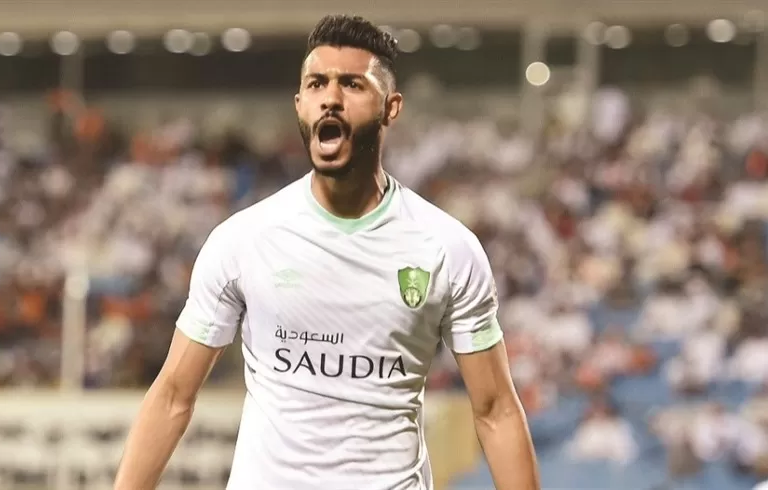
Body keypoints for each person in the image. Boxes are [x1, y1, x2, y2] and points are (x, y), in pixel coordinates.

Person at [115, 14, 539, 490]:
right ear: (300, 104)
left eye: (353, 84)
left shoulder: (447, 249)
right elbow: (173, 395)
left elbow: (495, 410)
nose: (331, 98)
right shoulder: (244, 239)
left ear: (391, 107)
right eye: (317, 83)